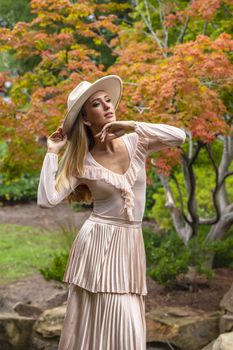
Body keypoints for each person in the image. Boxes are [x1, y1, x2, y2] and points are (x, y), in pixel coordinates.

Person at [37, 74, 186, 350]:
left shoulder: (135, 142)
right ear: (84, 118)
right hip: (97, 246)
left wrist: (131, 124)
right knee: (97, 326)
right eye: (97, 104)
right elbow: (48, 199)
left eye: (108, 100)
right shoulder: (82, 162)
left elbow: (179, 137)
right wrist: (52, 153)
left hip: (130, 245)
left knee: (129, 327)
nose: (107, 106)